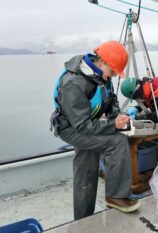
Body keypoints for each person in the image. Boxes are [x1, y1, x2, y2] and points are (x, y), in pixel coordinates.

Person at [50, 41, 140, 220]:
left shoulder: (100, 76)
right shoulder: (73, 83)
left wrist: (117, 117)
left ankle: (84, 219)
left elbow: (111, 99)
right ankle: (115, 196)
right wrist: (112, 125)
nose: (112, 77)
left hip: (87, 123)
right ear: (102, 62)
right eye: (112, 72)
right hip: (71, 128)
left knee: (87, 165)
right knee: (116, 142)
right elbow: (81, 126)